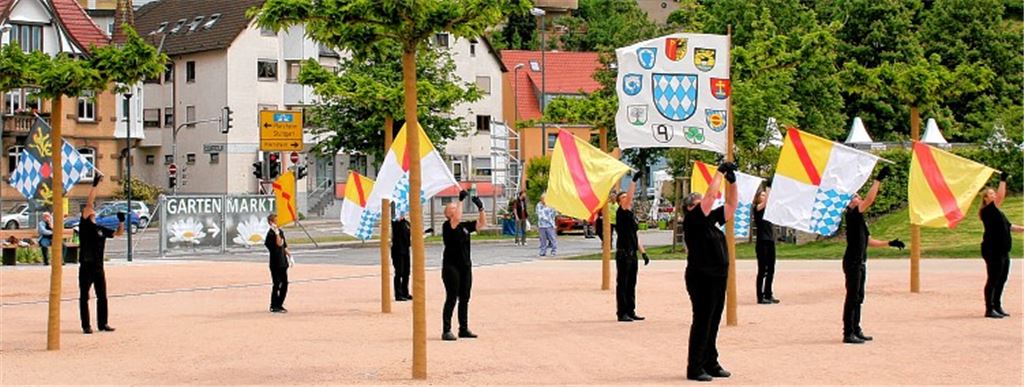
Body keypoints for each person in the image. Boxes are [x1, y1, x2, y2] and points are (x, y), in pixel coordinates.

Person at [682, 162, 737, 382]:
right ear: (690, 208)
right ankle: (694, 367)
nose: (704, 203)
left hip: (717, 276)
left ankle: (710, 362)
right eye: (697, 203)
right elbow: (711, 196)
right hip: (701, 277)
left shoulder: (710, 221)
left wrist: (733, 182)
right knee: (703, 320)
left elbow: (731, 205)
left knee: (714, 320)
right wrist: (720, 172)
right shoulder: (693, 220)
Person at [841, 166, 904, 344]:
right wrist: (878, 179)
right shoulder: (853, 214)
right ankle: (848, 333)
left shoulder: (861, 220)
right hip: (852, 261)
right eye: (854, 197)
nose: (857, 198)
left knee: (859, 297)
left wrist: (889, 243)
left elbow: (868, 241)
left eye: (857, 196)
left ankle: (856, 328)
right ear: (850, 203)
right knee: (852, 296)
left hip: (860, 261)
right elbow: (870, 199)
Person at [78, 174, 124, 334]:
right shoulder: (85, 225)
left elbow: (118, 234)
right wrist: (95, 185)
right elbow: (89, 203)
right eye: (90, 211)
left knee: (102, 296)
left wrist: (122, 221)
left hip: (98, 266)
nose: (92, 212)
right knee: (84, 296)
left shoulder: (101, 229)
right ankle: (86, 325)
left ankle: (102, 323)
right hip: (86, 264)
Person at [441, 190, 486, 341]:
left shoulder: (464, 226)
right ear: (449, 214)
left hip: (465, 266)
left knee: (465, 298)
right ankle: (446, 330)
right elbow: (456, 218)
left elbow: (481, 225)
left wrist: (481, 208)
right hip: (451, 267)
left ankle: (463, 328)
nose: (457, 210)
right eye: (453, 208)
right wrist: (460, 200)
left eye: (456, 207)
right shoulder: (448, 226)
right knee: (452, 297)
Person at [979, 172, 1023, 318]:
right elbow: (1000, 198)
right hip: (992, 250)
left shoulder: (998, 213)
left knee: (1001, 279)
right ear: (986, 199)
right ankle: (989, 309)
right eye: (990, 194)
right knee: (993, 278)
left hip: (1003, 250)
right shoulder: (987, 211)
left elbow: (1009, 226)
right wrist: (1003, 180)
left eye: (993, 193)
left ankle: (997, 306)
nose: (993, 195)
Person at [615, 173, 649, 323]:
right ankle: (622, 312)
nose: (626, 199)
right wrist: (634, 181)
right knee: (622, 283)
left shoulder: (630, 215)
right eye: (622, 198)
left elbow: (636, 236)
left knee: (631, 283)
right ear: (619, 202)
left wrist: (643, 253)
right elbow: (630, 197)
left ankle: (631, 310)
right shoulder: (621, 213)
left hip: (632, 253)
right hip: (623, 253)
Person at [753, 185, 779, 304]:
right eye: (762, 195)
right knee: (762, 269)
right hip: (762, 242)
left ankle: (768, 293)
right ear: (757, 198)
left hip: (770, 241)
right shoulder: (756, 208)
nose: (764, 197)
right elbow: (766, 202)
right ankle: (760, 296)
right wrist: (769, 187)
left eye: (765, 194)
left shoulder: (769, 210)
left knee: (771, 269)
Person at [264, 214, 291, 313]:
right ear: (271, 222)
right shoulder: (270, 234)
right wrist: (276, 233)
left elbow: (284, 246)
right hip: (275, 263)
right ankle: (274, 305)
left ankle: (280, 303)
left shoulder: (280, 232)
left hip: (283, 262)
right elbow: (279, 243)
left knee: (285, 283)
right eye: (276, 221)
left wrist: (290, 256)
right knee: (277, 284)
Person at [392, 213, 412, 301]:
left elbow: (410, 234)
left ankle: (405, 292)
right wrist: (397, 218)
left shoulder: (407, 223)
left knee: (406, 272)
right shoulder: (396, 222)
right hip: (397, 250)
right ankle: (398, 294)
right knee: (399, 272)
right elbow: (395, 225)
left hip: (406, 249)